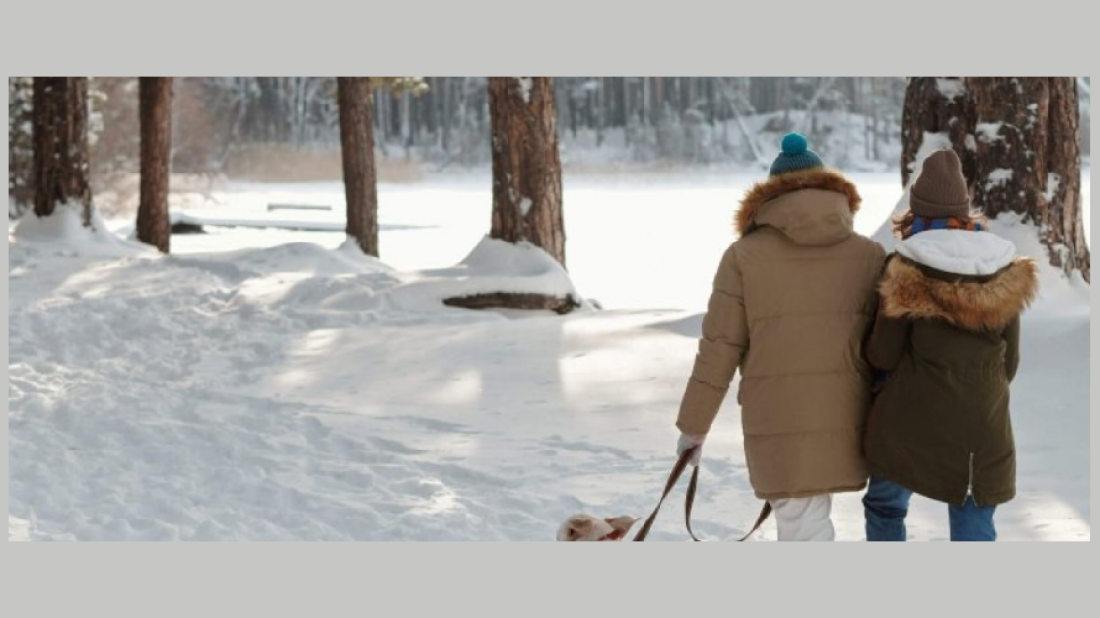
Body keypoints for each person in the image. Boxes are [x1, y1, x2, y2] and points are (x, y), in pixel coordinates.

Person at [675, 133, 885, 542]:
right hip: (849, 412)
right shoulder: (870, 255)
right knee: (810, 515)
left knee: (801, 521)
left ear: (770, 193)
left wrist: (694, 426)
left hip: (778, 412)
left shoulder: (744, 256)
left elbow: (719, 347)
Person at [862, 149, 1040, 542]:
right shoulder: (1003, 267)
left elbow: (882, 355)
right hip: (982, 428)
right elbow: (1009, 364)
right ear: (964, 210)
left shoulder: (903, 267)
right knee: (973, 513)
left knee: (885, 505)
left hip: (910, 423)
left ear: (917, 212)